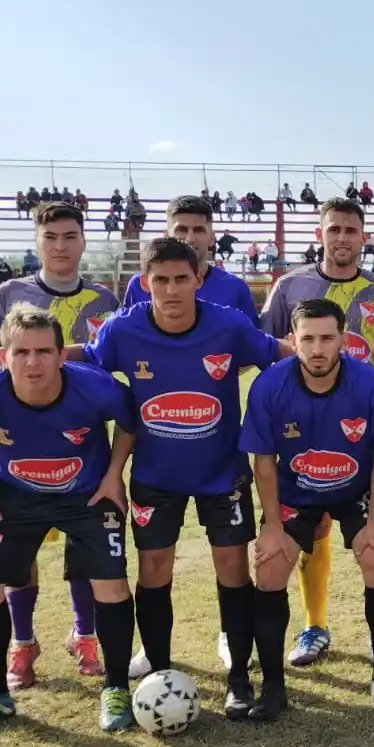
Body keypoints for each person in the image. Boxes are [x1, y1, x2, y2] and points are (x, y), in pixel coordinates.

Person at [82, 238, 288, 717]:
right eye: (161, 280)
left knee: (233, 569)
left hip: (222, 473)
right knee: (154, 570)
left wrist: (332, 360)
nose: (171, 289)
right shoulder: (123, 329)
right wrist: (31, 355)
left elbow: (279, 354)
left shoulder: (228, 324)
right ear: (144, 282)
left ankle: (239, 678)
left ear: (198, 279)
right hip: (155, 475)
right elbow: (86, 363)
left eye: (181, 279)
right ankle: (160, 672)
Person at [0, 304, 138, 737]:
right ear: (2, 356)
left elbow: (129, 421)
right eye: (22, 352)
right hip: (13, 495)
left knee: (112, 585)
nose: (33, 362)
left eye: (44, 351)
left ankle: (116, 687)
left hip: (86, 494)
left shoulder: (96, 387)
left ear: (62, 355)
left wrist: (113, 475)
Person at [259, 198, 374, 667]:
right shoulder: (289, 286)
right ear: (320, 234)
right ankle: (315, 626)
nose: (342, 237)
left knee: (373, 543)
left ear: (363, 236)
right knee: (311, 536)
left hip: (361, 439)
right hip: (303, 436)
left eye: (351, 230)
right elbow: (262, 347)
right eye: (334, 229)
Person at [0, 201, 122, 689]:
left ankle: (85, 633)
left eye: (70, 236)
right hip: (22, 453)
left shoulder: (103, 301)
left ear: (83, 241)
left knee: (86, 547)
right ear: (37, 242)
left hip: (84, 453)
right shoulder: (8, 295)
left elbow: (110, 375)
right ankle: (23, 641)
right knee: (20, 551)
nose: (60, 246)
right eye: (50, 237)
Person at [239, 299, 374, 717]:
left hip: (355, 490)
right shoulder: (269, 385)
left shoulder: (369, 384)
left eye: (327, 338)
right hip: (296, 492)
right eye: (307, 338)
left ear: (343, 341)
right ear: (292, 341)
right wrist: (272, 525)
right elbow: (263, 461)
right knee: (270, 567)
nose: (317, 349)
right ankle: (272, 689)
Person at [123, 195, 258, 326]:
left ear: (212, 238)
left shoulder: (235, 287)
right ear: (166, 236)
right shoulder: (140, 284)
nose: (190, 239)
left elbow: (251, 339)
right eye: (181, 230)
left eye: (199, 230)